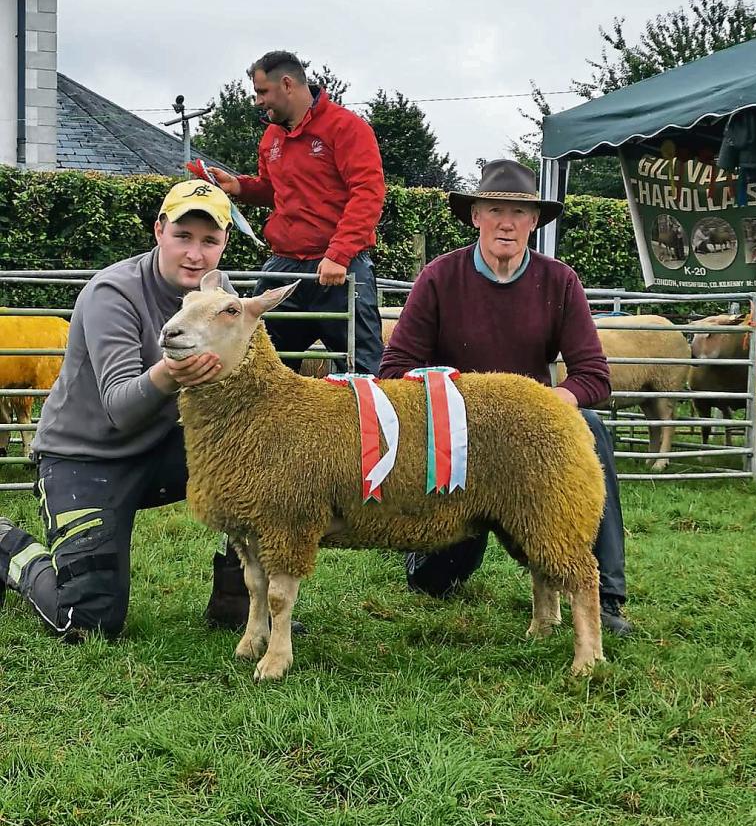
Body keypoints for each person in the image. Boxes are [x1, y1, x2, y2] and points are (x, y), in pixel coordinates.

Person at [379, 159, 633, 636]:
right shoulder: (438, 278)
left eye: (519, 211)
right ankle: (427, 552)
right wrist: (465, 406)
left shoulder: (560, 282)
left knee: (592, 432)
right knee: (434, 583)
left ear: (534, 221)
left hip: (532, 436)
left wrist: (554, 402)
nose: (507, 222)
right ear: (475, 215)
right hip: (457, 441)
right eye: (495, 209)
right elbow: (394, 372)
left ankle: (608, 596)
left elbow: (594, 376)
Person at [0, 180, 251, 637]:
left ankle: (238, 600)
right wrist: (172, 372)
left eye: (209, 241)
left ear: (224, 244)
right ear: (159, 231)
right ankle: (6, 545)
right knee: (88, 622)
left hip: (162, 446)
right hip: (86, 457)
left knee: (257, 457)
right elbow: (119, 407)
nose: (195, 254)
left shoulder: (219, 296)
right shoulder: (111, 293)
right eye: (183, 237)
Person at [208, 50, 385, 375]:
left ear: (287, 84)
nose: (258, 101)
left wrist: (339, 254)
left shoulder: (347, 128)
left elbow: (368, 193)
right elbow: (273, 189)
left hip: (339, 266)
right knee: (255, 365)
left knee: (361, 370)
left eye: (262, 92)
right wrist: (240, 188)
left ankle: (364, 423)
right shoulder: (271, 136)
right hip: (285, 264)